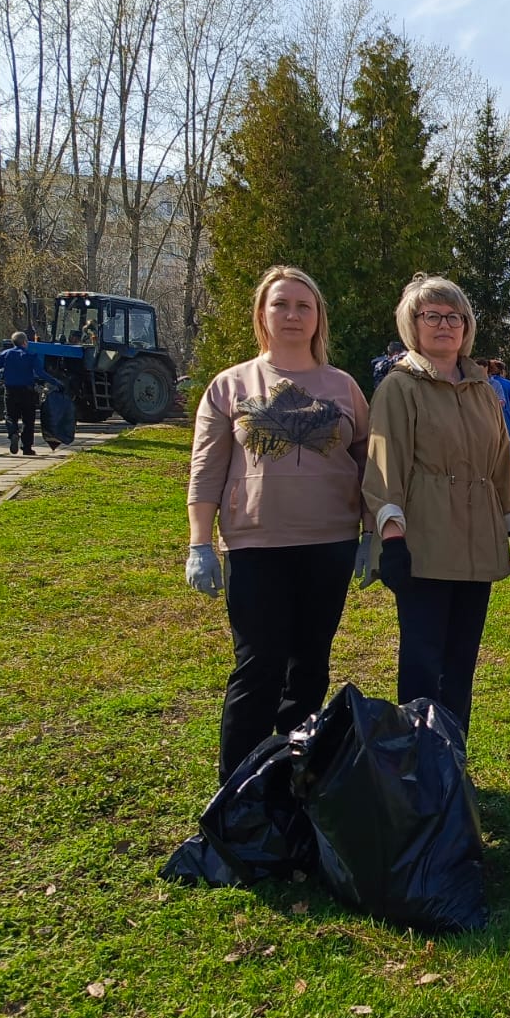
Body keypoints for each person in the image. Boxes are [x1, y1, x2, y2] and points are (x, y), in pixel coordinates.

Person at [185, 266, 372, 784]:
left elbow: (369, 465)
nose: (292, 315)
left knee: (310, 666)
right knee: (258, 667)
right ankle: (239, 790)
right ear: (262, 315)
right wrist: (199, 543)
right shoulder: (231, 386)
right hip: (255, 547)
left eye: (303, 306)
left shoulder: (343, 387)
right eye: (281, 304)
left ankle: (293, 780)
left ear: (318, 318)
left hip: (330, 545)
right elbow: (206, 470)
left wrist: (371, 534)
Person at [361, 274, 510, 736]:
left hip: (477, 547)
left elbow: (500, 467)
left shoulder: (482, 390)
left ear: (466, 325)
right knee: (423, 667)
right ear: (412, 324)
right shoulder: (399, 388)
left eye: (453, 316)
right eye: (432, 316)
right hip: (423, 547)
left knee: (460, 668)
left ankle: (451, 759)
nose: (444, 325)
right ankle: (417, 762)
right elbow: (385, 468)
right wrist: (392, 540)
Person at [0, 331, 64, 456]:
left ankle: (13, 433)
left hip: (11, 391)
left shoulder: (5, 354)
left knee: (10, 416)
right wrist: (57, 383)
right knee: (28, 420)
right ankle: (27, 448)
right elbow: (41, 373)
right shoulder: (31, 355)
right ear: (25, 342)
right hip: (28, 392)